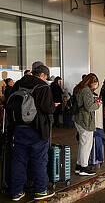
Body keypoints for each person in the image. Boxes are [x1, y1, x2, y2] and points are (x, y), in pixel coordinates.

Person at [8, 64, 56, 201]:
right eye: (46, 77)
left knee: (18, 160)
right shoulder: (42, 86)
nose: (46, 79)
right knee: (39, 160)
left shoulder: (18, 84)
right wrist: (54, 106)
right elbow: (48, 109)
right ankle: (41, 190)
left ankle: (16, 192)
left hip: (18, 128)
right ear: (42, 75)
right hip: (37, 128)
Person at [72, 73, 101, 176]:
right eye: (94, 83)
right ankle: (84, 167)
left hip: (78, 118)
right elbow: (88, 107)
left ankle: (79, 166)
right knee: (86, 144)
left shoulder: (78, 88)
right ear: (91, 81)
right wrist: (98, 104)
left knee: (82, 142)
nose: (94, 86)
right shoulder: (86, 90)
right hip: (85, 120)